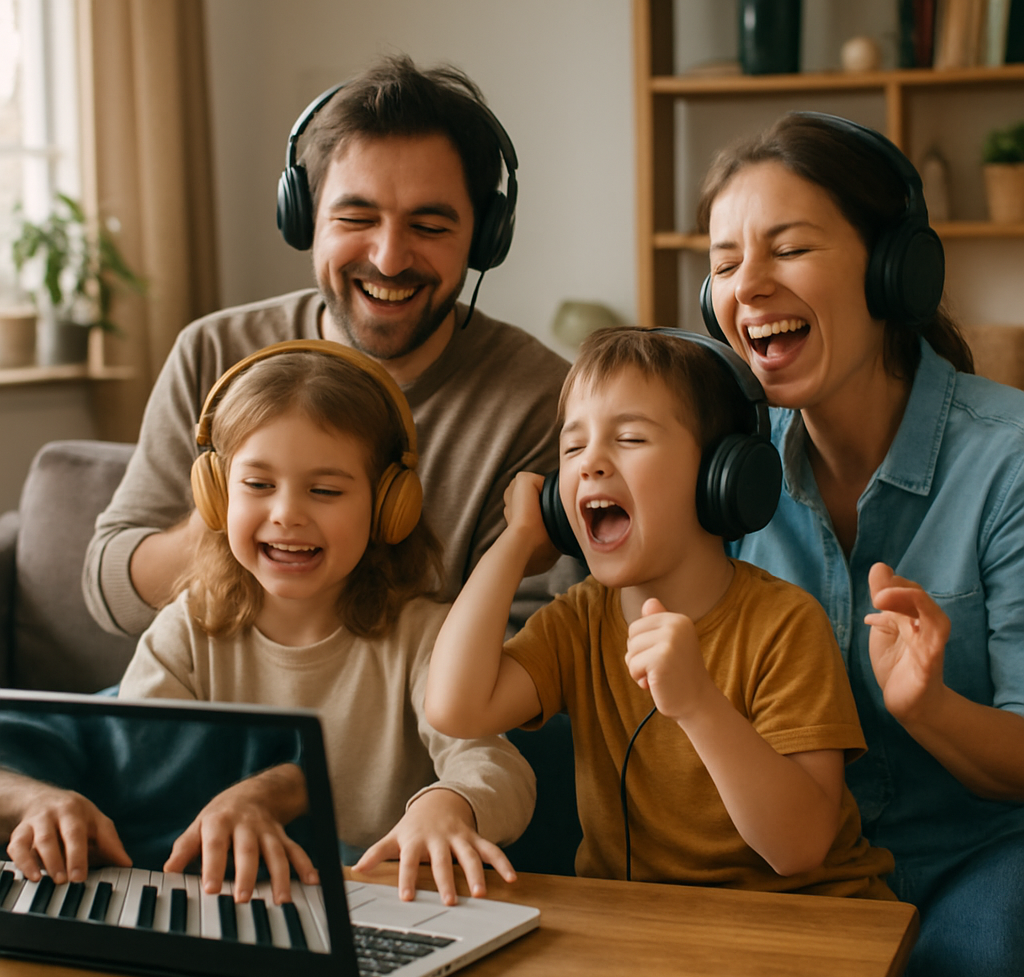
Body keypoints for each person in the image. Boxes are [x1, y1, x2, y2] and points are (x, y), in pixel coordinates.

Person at [696, 111, 1024, 977]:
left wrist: (931, 709)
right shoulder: (719, 470)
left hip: (981, 853)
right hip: (794, 858)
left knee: (986, 969)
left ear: (893, 269)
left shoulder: (1011, 459)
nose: (748, 285)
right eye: (723, 265)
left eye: (788, 249)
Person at [82, 53, 573, 640]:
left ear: (484, 239)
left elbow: (529, 650)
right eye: (356, 217)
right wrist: (236, 509)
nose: (389, 258)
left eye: (430, 226)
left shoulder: (543, 400)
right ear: (305, 219)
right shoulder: (213, 352)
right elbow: (111, 590)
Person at [424, 327, 895, 898]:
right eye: (572, 448)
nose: (590, 463)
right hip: (653, 933)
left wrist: (698, 703)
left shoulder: (786, 624)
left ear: (718, 477)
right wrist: (518, 540)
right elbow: (454, 708)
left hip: (805, 923)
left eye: (629, 438)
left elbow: (799, 848)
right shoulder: (578, 622)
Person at [109, 342, 535, 908]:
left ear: (390, 505)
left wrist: (450, 803)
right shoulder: (186, 630)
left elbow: (498, 766)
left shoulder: (426, 636)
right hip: (220, 902)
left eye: (325, 490)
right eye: (258, 485)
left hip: (381, 907)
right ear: (215, 496)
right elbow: (136, 773)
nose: (286, 512)